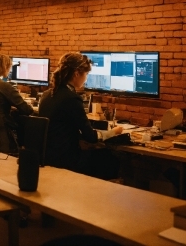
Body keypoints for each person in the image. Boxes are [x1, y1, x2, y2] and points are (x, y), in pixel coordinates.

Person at [38, 52, 123, 180]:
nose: (86, 78)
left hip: (48, 156)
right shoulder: (72, 98)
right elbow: (91, 137)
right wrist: (113, 132)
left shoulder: (46, 94)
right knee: (110, 158)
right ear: (77, 73)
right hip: (66, 160)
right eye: (86, 74)